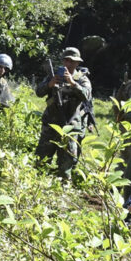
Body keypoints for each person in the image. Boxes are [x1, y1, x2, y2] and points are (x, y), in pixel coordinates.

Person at [34, 47, 93, 179]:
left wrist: (73, 83)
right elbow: (38, 92)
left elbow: (87, 96)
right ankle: (38, 185)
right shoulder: (53, 75)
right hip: (51, 124)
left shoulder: (82, 79)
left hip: (70, 125)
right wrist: (50, 84)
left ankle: (64, 188)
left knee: (66, 163)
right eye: (66, 60)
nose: (68, 64)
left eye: (72, 61)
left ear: (78, 63)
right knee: (41, 159)